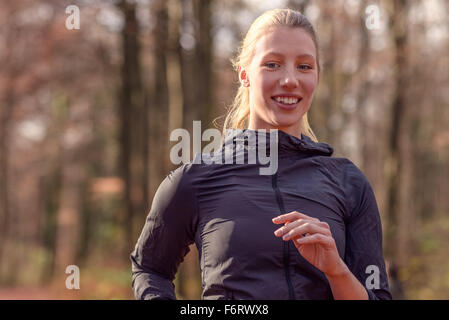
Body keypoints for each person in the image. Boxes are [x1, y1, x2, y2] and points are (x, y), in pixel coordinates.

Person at [130, 8, 392, 300]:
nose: (290, 79)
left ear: (317, 76)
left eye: (304, 66)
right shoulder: (195, 180)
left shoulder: (349, 183)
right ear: (245, 74)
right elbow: (149, 269)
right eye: (273, 64)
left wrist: (336, 270)